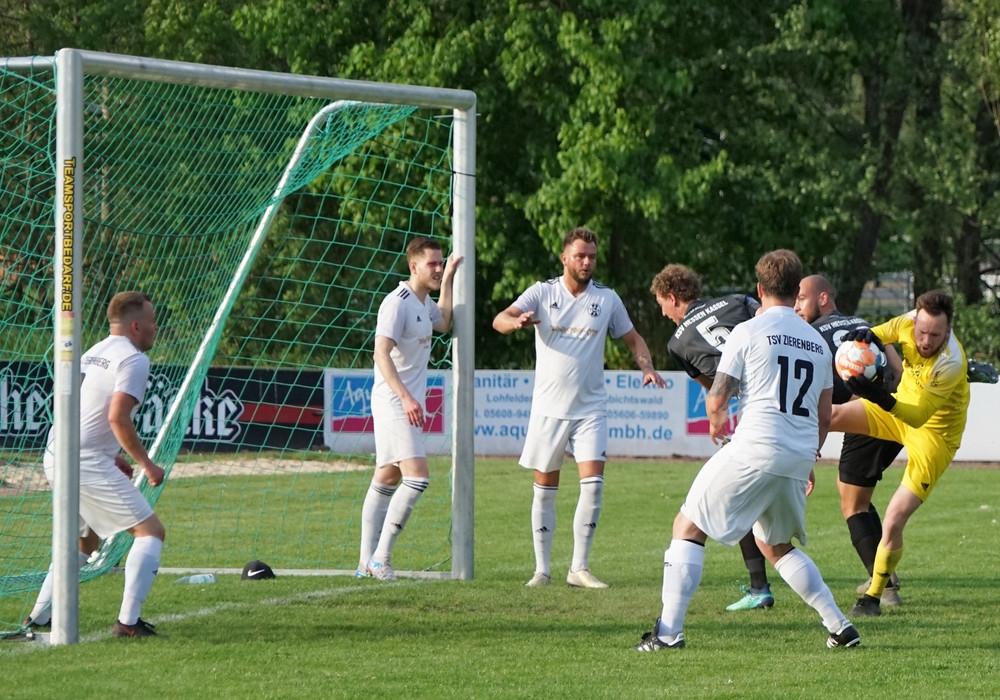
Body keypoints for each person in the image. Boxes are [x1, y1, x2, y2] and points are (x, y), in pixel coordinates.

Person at [634, 249, 860, 651]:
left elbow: (718, 397)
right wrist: (808, 457)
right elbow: (824, 416)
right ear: (796, 290)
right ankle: (840, 627)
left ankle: (668, 634)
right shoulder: (817, 342)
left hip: (756, 447)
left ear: (759, 288)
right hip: (797, 454)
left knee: (687, 527)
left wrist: (716, 422)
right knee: (775, 545)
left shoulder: (749, 331)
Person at [493, 226, 666, 589]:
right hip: (548, 409)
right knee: (545, 488)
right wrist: (516, 321)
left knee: (593, 486)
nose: (587, 262)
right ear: (564, 258)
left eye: (592, 257)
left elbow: (633, 339)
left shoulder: (607, 299)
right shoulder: (542, 292)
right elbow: (500, 319)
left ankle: (579, 568)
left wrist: (647, 367)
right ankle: (542, 570)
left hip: (591, 409)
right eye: (580, 256)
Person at [24, 291, 167, 638]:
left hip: (59, 452)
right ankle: (128, 623)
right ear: (136, 326)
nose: (156, 328)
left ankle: (39, 617)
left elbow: (78, 409)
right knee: (150, 532)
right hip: (83, 460)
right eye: (152, 321)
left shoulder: (92, 352)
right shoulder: (133, 359)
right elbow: (118, 416)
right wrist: (146, 464)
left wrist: (111, 454)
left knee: (84, 543)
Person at [831, 289, 970, 617]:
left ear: (948, 331)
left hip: (933, 437)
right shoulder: (908, 321)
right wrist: (866, 336)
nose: (925, 341)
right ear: (915, 321)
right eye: (922, 332)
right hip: (897, 408)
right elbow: (881, 333)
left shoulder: (950, 361)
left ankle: (875, 596)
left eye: (934, 335)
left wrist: (880, 396)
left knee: (894, 518)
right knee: (831, 415)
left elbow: (919, 416)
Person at [650, 263, 779, 612]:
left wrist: (715, 421)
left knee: (716, 508)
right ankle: (760, 586)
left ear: (673, 297)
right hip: (781, 399)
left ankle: (761, 588)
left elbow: (717, 389)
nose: (662, 313)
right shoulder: (738, 301)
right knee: (752, 502)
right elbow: (772, 323)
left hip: (753, 414)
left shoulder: (676, 343)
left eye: (661, 304)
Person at [794, 274, 906, 605]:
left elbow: (816, 394)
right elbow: (898, 370)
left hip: (866, 417)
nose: (797, 306)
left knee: (852, 503)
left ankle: (884, 586)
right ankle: (884, 573)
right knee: (857, 495)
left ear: (823, 298)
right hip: (898, 408)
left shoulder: (809, 336)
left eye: (801, 298)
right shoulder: (865, 324)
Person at [356, 237, 461, 581]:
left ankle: (364, 563)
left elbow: (444, 321)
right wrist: (405, 397)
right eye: (433, 264)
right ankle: (380, 559)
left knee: (387, 477)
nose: (438, 268)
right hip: (393, 402)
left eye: (440, 263)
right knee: (417, 477)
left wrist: (448, 279)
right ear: (413, 266)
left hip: (404, 404)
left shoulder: (424, 302)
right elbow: (380, 354)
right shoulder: (396, 303)